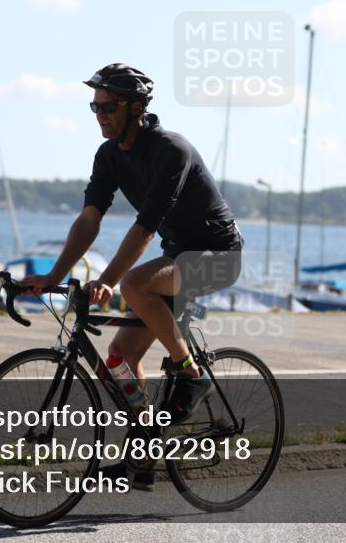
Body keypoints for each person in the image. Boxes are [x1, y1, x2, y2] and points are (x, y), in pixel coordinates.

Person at [20, 63, 244, 489]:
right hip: (177, 257)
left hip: (218, 256)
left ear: (136, 107)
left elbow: (144, 227)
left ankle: (191, 375)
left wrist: (107, 279)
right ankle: (144, 452)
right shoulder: (108, 157)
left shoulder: (169, 150)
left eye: (109, 106)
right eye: (95, 107)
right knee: (119, 364)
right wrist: (53, 274)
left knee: (134, 283)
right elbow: (89, 220)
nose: (100, 114)